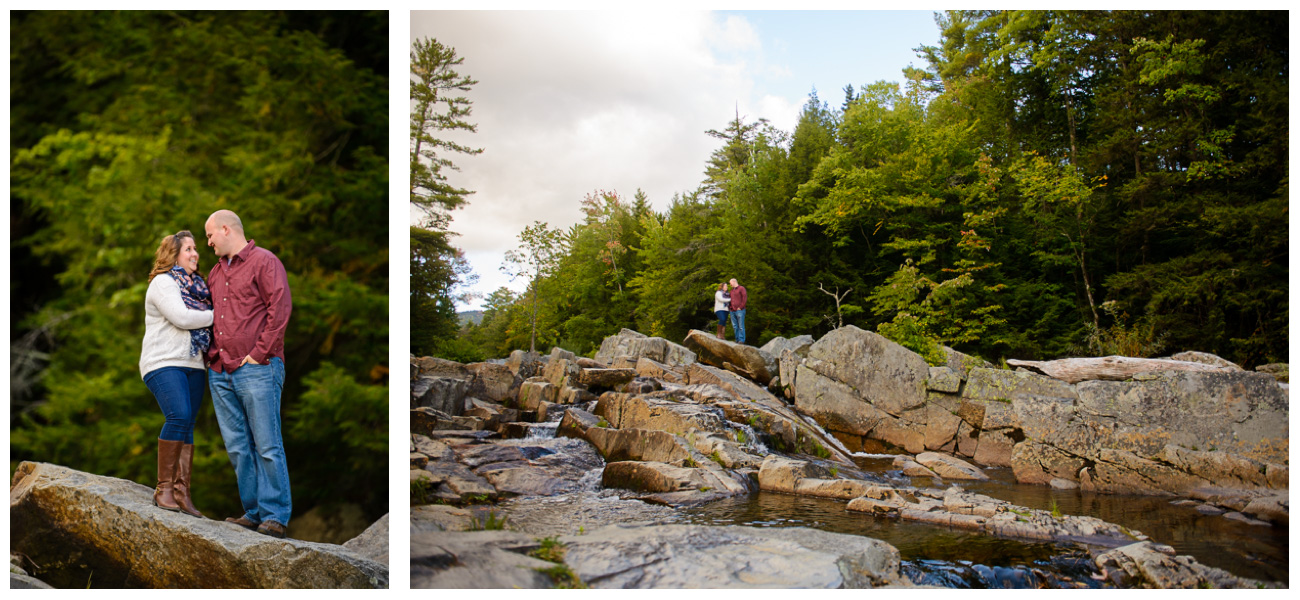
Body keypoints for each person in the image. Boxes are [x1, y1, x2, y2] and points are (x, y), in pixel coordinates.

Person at [203, 209, 294, 539]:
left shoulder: (265, 261)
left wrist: (258, 354)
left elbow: (279, 309)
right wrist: (212, 358)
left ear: (226, 229)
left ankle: (275, 515)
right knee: (238, 447)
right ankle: (254, 512)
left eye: (210, 234)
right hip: (220, 371)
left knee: (267, 444)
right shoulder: (214, 273)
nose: (208, 242)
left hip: (258, 368)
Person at [140, 231, 213, 519]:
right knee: (178, 415)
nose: (196, 253)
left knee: (189, 424)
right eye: (189, 249)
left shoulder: (199, 287)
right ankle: (164, 489)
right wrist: (216, 315)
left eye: (196, 248)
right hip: (163, 362)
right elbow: (182, 318)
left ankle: (182, 491)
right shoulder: (163, 283)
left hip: (194, 364)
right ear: (174, 254)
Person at [728, 278, 748, 344]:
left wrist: (741, 307)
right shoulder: (731, 291)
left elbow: (744, 298)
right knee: (735, 326)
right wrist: (730, 307)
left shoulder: (741, 288)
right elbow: (730, 300)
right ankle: (737, 339)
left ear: (734, 282)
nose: (730, 284)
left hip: (740, 310)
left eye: (730, 283)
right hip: (732, 310)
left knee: (741, 326)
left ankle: (741, 340)